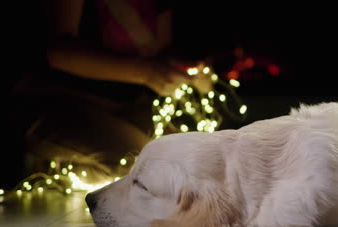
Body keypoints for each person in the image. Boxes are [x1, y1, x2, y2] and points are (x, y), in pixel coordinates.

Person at [16, 0, 213, 181]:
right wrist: (145, 72)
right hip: (56, 100)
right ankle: (43, 170)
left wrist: (188, 70)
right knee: (143, 165)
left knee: (191, 159)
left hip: (128, 105)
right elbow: (57, 50)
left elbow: (161, 51)